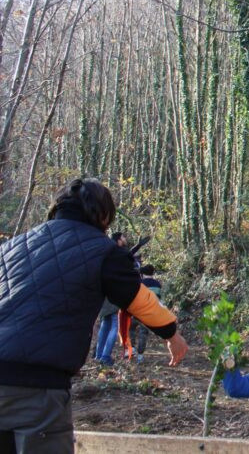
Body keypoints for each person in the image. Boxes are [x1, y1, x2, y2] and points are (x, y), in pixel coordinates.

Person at [0, 178, 189, 453]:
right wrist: (172, 334)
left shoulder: (13, 246)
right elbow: (140, 299)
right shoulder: (102, 251)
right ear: (103, 215)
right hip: (37, 387)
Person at [130, 264, 164, 363]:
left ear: (142, 273)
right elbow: (158, 299)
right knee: (143, 333)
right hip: (149, 312)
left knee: (131, 328)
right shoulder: (157, 284)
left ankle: (132, 347)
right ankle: (140, 355)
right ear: (153, 273)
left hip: (136, 310)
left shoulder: (139, 283)